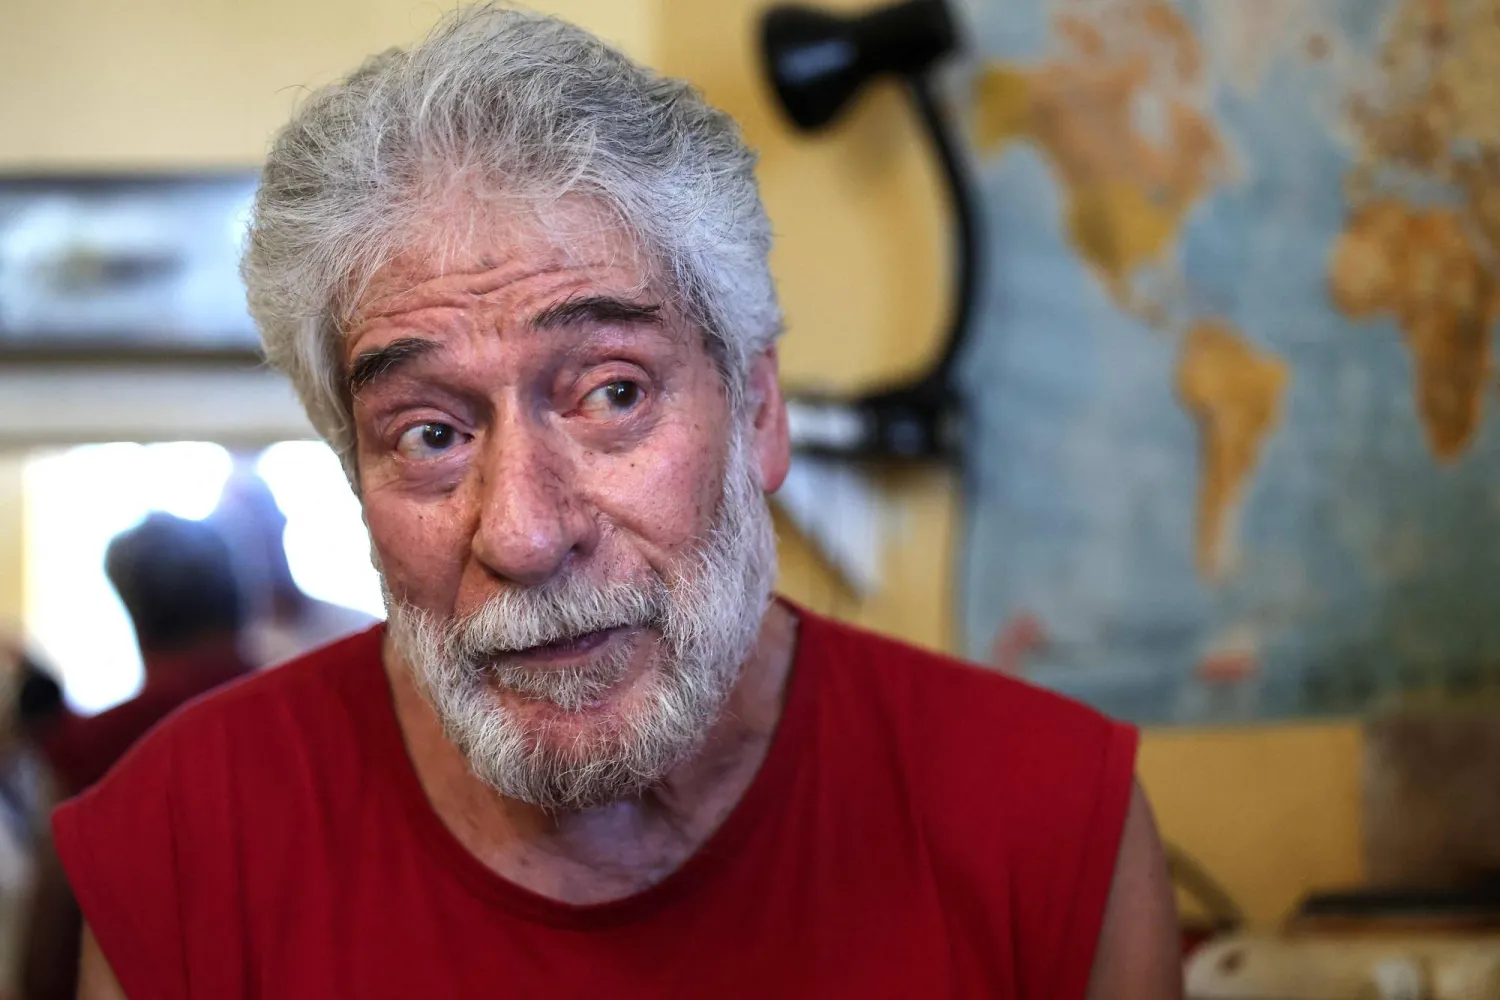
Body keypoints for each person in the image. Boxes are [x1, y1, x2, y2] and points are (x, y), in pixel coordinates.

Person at [55, 8, 1181, 998]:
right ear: (358, 483)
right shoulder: (183, 842)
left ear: (756, 407)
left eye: (611, 393)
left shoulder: (1047, 821)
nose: (526, 534)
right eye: (432, 433)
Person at [26, 514, 252, 1000]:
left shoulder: (94, 747)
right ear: (237, 598)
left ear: (136, 614)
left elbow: (50, 942)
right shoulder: (305, 722)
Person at [209, 468, 374, 668]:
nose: (256, 546)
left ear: (280, 523)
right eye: (240, 533)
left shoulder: (356, 628)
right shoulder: (238, 652)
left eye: (263, 526)